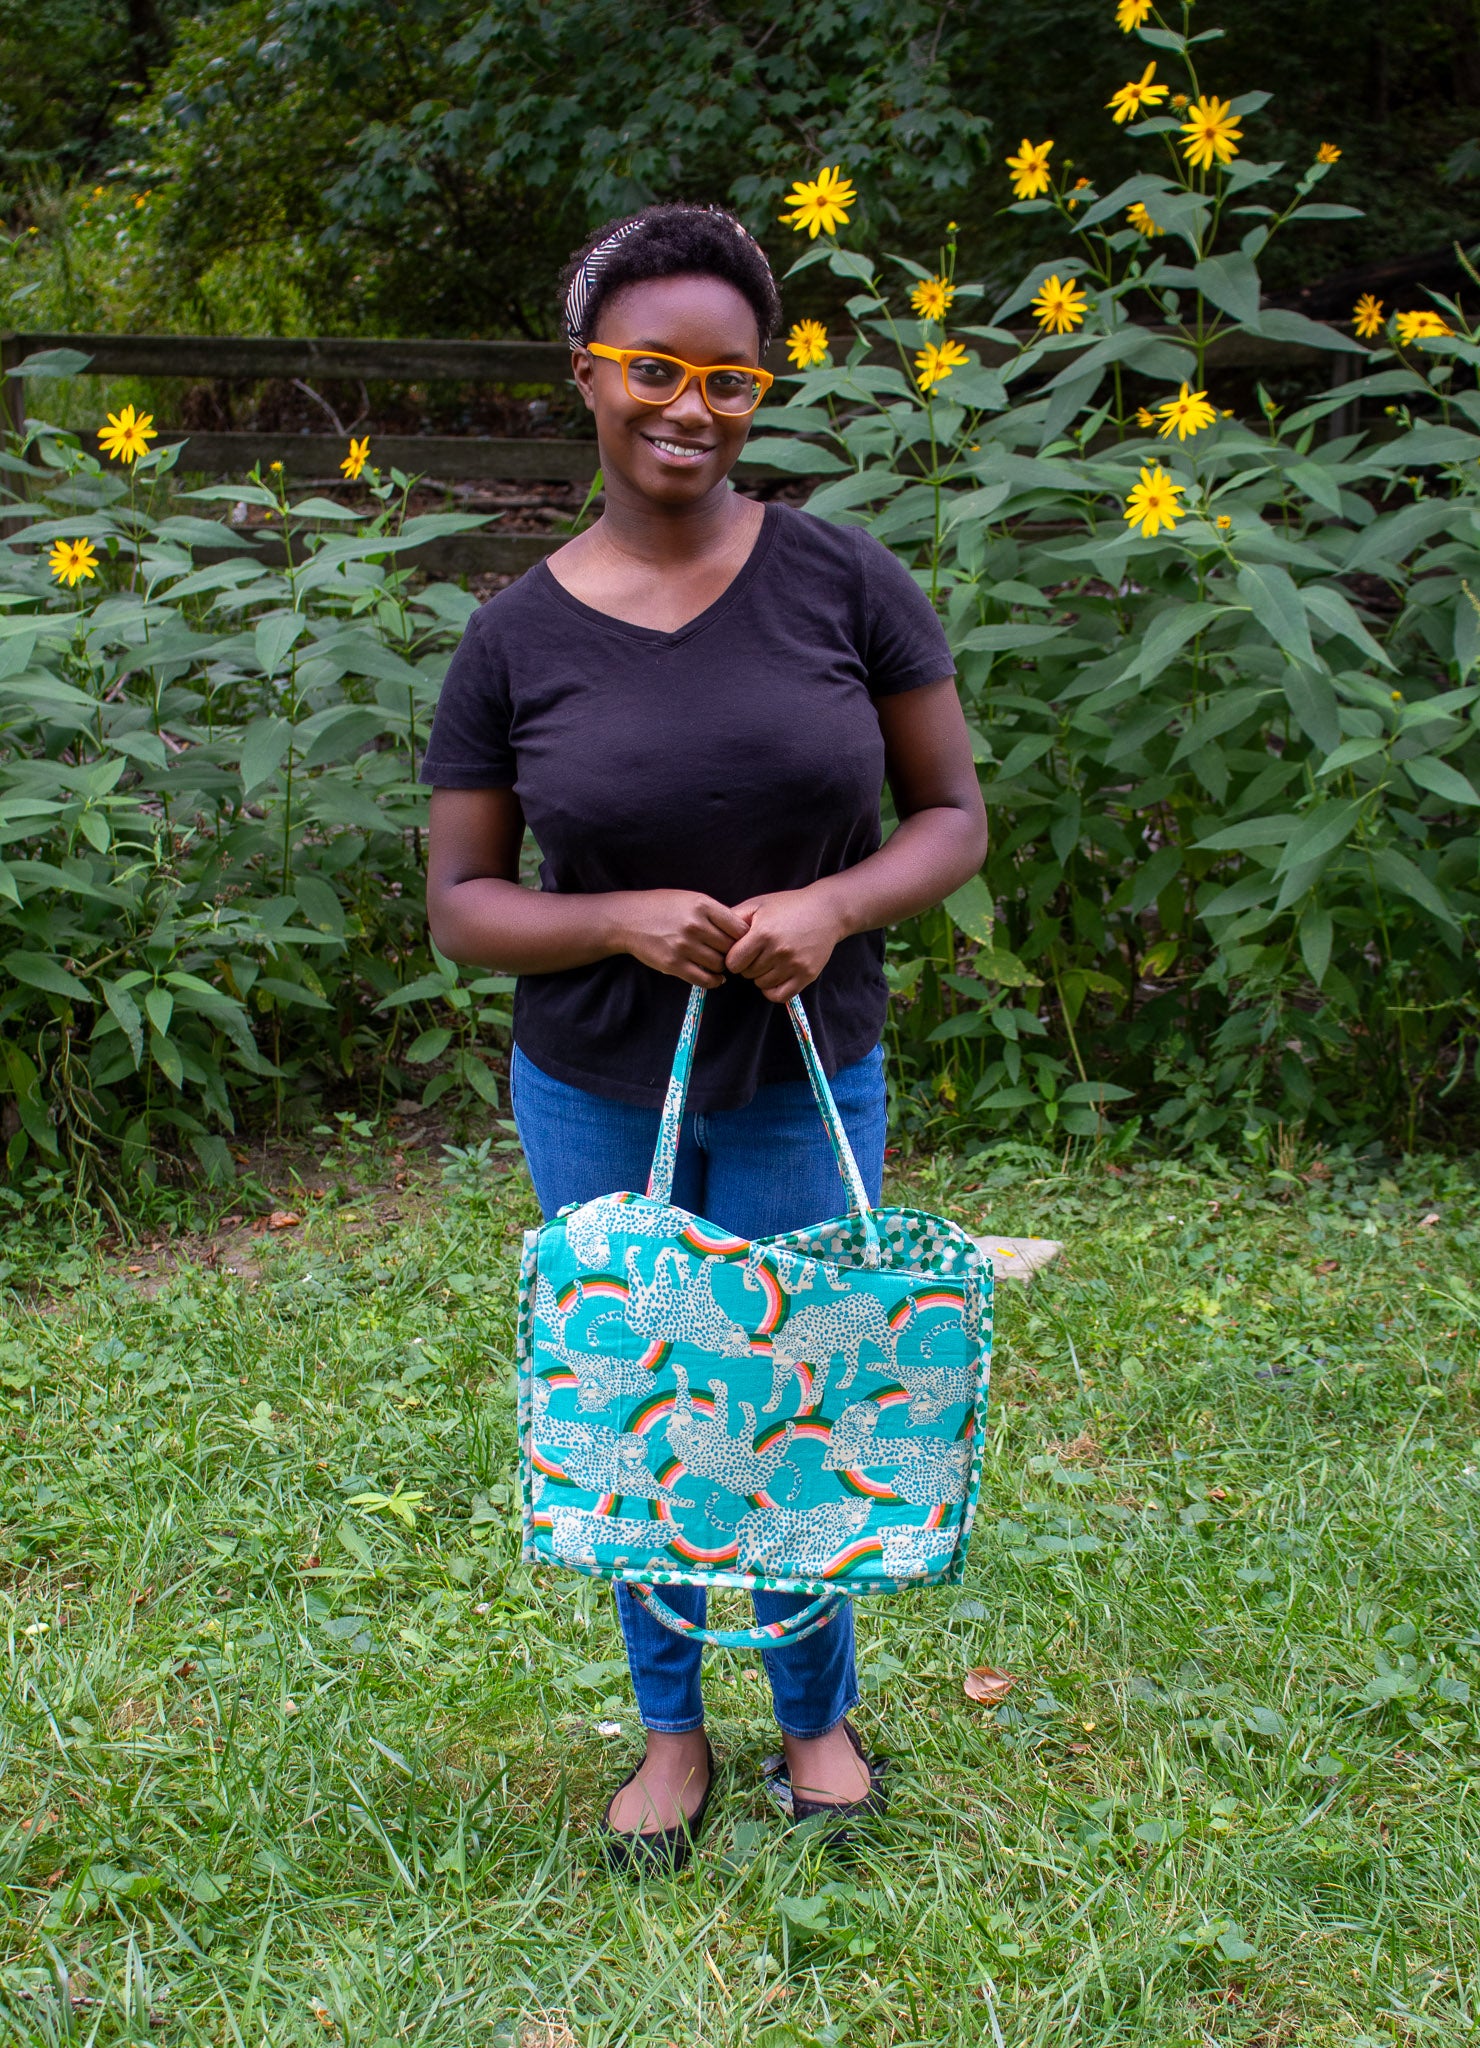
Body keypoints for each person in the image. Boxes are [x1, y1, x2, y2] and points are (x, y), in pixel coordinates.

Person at [422, 202, 987, 1869]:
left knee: (814, 1379)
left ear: (762, 393)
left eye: (730, 380)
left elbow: (950, 814)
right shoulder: (515, 636)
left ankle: (815, 1721)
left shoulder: (841, 577)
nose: (689, 406)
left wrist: (835, 906)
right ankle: (672, 1732)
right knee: (643, 1392)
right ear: (588, 376)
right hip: (596, 1083)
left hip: (810, 1073)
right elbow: (465, 903)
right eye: (652, 369)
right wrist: (613, 918)